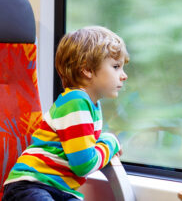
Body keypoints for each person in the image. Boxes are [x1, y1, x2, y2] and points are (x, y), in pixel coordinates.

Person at [2, 26, 129, 201]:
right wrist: (111, 141)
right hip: (31, 184)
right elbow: (83, 164)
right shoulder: (76, 101)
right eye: (116, 67)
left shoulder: (92, 106)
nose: (124, 76)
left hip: (62, 190)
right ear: (88, 70)